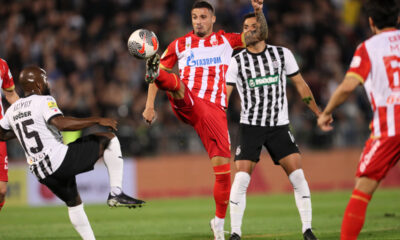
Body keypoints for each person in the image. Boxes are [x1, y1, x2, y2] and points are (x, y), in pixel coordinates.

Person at [142, 1, 267, 239]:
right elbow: (159, 79)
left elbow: (258, 34)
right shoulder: (179, 44)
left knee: (223, 173)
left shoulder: (226, 41)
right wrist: (150, 106)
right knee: (175, 83)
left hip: (215, 112)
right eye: (194, 17)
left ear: (212, 19)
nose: (198, 21)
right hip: (189, 101)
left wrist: (259, 12)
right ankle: (156, 69)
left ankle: (218, 223)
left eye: (202, 17)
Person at [0, 66, 145, 240]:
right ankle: (116, 192)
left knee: (74, 203)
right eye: (45, 80)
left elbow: (2, 134)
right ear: (38, 84)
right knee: (109, 138)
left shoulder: (12, 111)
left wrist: (25, 129)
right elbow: (60, 123)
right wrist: (97, 119)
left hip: (41, 173)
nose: (48, 84)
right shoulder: (43, 100)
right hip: (59, 160)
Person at [225, 13, 320, 240]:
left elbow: (300, 84)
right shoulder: (236, 61)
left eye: (253, 26)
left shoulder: (282, 54)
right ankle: (236, 233)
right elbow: (224, 97)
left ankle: (307, 229)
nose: (247, 30)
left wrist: (319, 112)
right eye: (245, 27)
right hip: (250, 126)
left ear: (263, 30)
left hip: (278, 126)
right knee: (241, 178)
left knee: (298, 176)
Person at [317, 1, 400, 239]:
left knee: (363, 187)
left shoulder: (368, 48)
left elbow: (348, 86)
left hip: (390, 125)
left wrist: (326, 112)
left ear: (371, 22)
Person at [0, 58, 19, 211]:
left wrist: (28, 111)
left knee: (2, 191)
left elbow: (11, 95)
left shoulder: (2, 65)